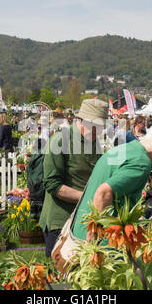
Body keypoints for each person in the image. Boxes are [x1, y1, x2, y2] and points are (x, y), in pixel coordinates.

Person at [72, 118, 152, 241]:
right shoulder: (141, 164)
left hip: (79, 231)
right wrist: (93, 240)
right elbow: (103, 192)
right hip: (103, 242)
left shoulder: (127, 149)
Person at [39, 98, 108, 257]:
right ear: (80, 119)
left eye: (100, 126)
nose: (97, 130)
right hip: (60, 222)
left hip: (83, 219)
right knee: (59, 275)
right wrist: (88, 198)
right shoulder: (60, 140)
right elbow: (52, 185)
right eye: (94, 125)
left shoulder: (94, 142)